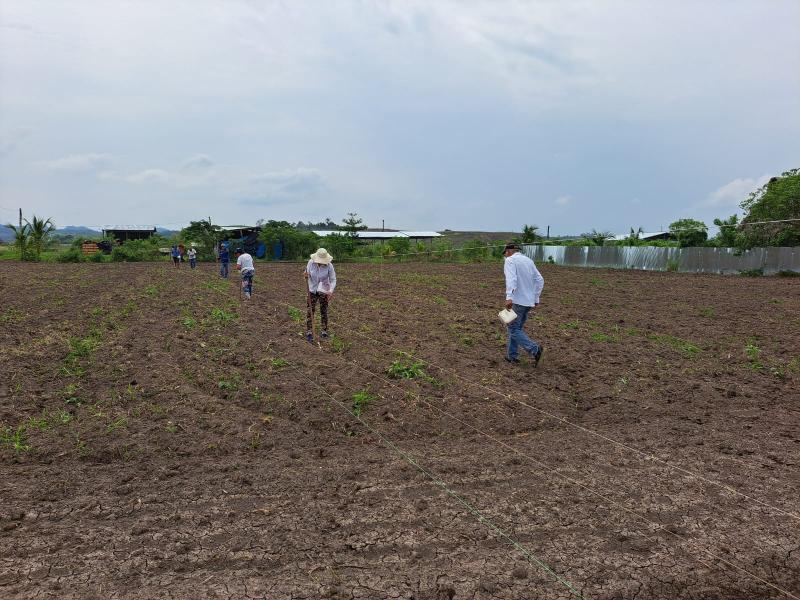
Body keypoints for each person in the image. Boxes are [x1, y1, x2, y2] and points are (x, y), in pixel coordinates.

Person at [503, 242, 544, 366]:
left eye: (505, 253)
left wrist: (509, 297)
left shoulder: (510, 260)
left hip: (517, 301)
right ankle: (512, 356)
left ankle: (535, 349)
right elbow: (539, 280)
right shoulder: (528, 261)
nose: (505, 255)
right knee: (516, 328)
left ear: (508, 251)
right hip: (528, 302)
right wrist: (536, 298)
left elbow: (511, 279)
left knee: (513, 329)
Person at [304, 248, 336, 343]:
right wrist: (306, 275)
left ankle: (324, 331)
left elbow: (333, 280)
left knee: (324, 311)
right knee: (310, 310)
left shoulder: (329, 266)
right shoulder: (311, 262)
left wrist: (330, 291)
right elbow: (307, 273)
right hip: (312, 290)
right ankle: (309, 332)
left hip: (323, 290)